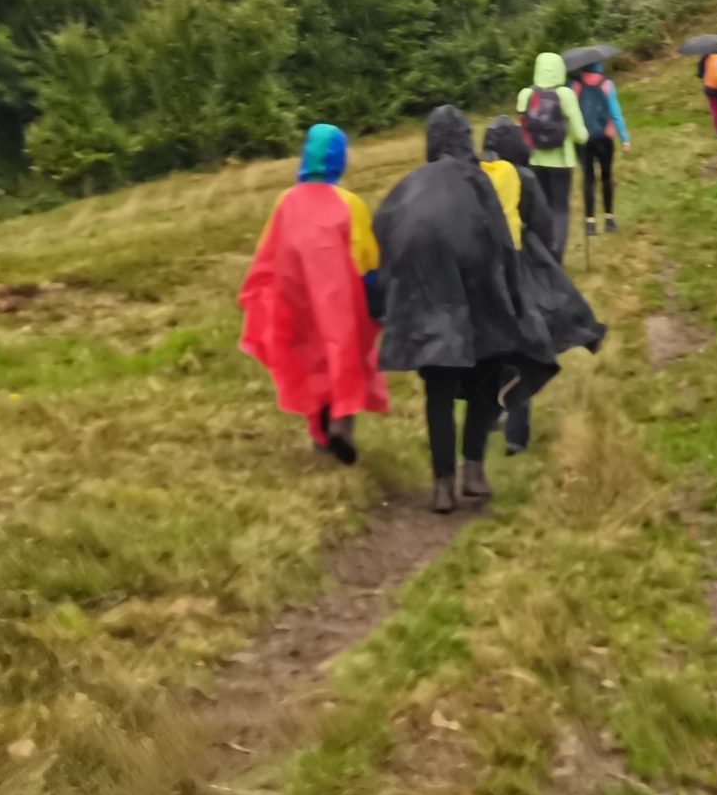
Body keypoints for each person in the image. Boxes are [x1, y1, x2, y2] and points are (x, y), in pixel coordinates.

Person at [373, 107, 556, 513]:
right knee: (485, 382)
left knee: (437, 393)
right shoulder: (477, 182)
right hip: (477, 302)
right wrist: (515, 301)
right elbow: (502, 242)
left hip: (427, 306)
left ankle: (443, 485)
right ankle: (473, 469)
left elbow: (385, 241)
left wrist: (383, 305)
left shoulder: (408, 187)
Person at [237, 124, 388, 465]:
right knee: (345, 358)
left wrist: (261, 294)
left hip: (295, 298)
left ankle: (319, 435)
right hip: (339, 302)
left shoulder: (285, 201)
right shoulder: (349, 204)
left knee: (308, 359)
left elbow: (269, 251)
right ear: (339, 158)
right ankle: (341, 424)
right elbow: (366, 257)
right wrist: (375, 297)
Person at [481, 118, 607, 455]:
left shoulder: (472, 177)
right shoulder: (524, 178)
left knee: (490, 346)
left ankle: (488, 414)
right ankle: (516, 434)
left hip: (480, 272)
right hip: (518, 270)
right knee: (522, 347)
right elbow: (545, 227)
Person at [514, 51, 584, 251]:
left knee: (539, 209)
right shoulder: (565, 95)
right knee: (560, 209)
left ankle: (541, 253)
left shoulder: (526, 94)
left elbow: (522, 128)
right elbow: (581, 135)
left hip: (534, 161)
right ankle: (557, 254)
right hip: (562, 162)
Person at [572, 61, 630, 238]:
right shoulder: (607, 85)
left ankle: (590, 222)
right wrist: (624, 138)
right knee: (607, 177)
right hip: (605, 138)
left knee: (588, 179)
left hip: (583, 139)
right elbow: (615, 113)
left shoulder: (575, 86)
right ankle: (609, 219)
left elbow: (571, 115)